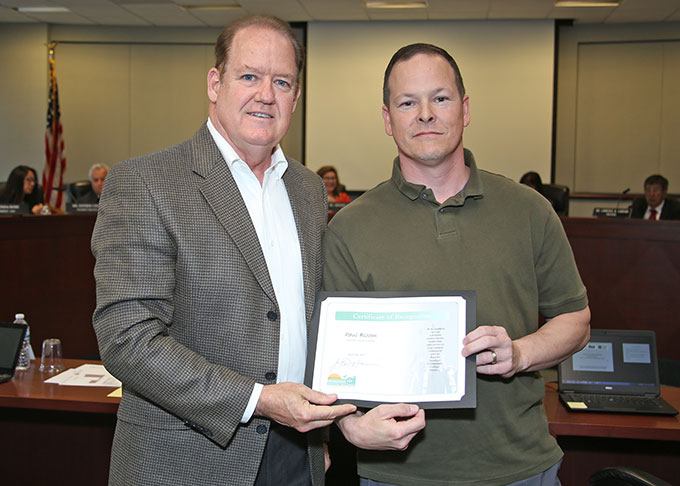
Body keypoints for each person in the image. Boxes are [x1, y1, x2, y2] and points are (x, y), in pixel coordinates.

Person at [91, 15, 355, 486]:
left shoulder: (308, 190)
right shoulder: (145, 183)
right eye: (249, 76)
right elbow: (127, 339)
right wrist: (257, 399)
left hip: (300, 452)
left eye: (282, 82)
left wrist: (325, 435)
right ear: (215, 83)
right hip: (187, 457)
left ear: (296, 96)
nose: (265, 94)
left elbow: (309, 318)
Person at [323, 43, 591, 485]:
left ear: (464, 109)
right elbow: (335, 365)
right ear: (388, 119)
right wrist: (348, 425)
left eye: (440, 98)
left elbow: (576, 321)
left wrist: (521, 353)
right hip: (396, 476)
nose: (425, 113)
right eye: (408, 102)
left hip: (520, 468)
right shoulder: (348, 228)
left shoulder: (530, 210)